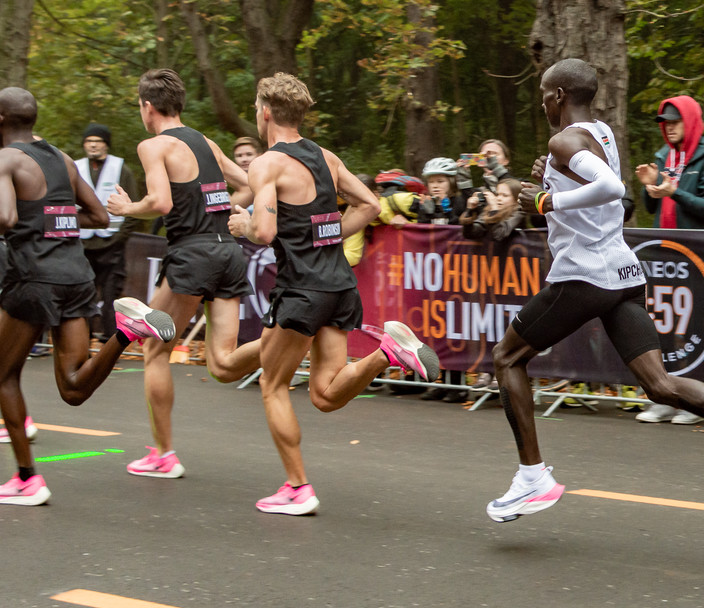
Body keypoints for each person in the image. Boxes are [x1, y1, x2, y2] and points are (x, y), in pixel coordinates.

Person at [486, 59, 704, 523]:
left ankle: (533, 477)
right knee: (659, 385)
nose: (542, 103)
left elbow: (610, 188)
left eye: (543, 95)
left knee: (507, 357)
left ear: (559, 96)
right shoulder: (601, 133)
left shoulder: (564, 139)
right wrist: (550, 177)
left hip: (584, 276)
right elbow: (590, 181)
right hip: (622, 275)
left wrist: (547, 199)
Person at [227, 72, 439, 515]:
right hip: (339, 285)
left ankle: (297, 488)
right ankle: (387, 353)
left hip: (301, 289)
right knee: (324, 394)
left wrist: (243, 224)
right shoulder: (325, 157)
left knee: (272, 384)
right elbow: (371, 205)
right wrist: (326, 238)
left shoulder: (266, 164)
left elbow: (263, 232)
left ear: (265, 113)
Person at [0, 87, 175, 505]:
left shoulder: (6, 159)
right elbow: (98, 215)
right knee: (74, 388)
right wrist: (51, 216)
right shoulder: (62, 159)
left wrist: (32, 220)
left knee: (3, 376)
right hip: (76, 276)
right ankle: (127, 331)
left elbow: (6, 217)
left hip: (33, 278)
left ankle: (27, 477)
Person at [106, 69, 262, 479]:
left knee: (154, 349)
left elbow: (159, 202)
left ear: (148, 106)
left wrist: (126, 208)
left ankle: (164, 455)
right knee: (223, 364)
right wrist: (235, 207)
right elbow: (251, 181)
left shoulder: (153, 145)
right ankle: (288, 338)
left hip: (193, 255)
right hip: (228, 252)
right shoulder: (206, 142)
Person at [634, 95, 704, 425]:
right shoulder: (663, 156)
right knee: (660, 327)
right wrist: (649, 186)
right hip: (664, 256)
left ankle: (698, 402)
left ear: (690, 122)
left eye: (675, 122)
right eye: (665, 123)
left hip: (696, 257)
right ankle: (665, 397)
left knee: (693, 328)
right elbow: (651, 205)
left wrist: (675, 192)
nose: (669, 127)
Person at [75, 123, 146, 342]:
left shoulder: (120, 168)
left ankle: (110, 342)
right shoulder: (75, 167)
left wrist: (119, 238)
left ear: (106, 144)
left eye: (98, 141)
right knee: (82, 294)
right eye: (89, 141)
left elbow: (133, 207)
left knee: (111, 297)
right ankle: (82, 341)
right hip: (83, 246)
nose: (93, 145)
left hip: (112, 246)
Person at [418, 157, 468, 403]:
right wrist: (426, 216)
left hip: (458, 273)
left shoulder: (460, 201)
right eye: (432, 182)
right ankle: (439, 380)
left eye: (441, 181)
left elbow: (462, 228)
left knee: (456, 330)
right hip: (433, 275)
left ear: (451, 182)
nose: (436, 186)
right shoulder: (425, 203)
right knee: (435, 329)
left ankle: (457, 384)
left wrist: (447, 212)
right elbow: (419, 236)